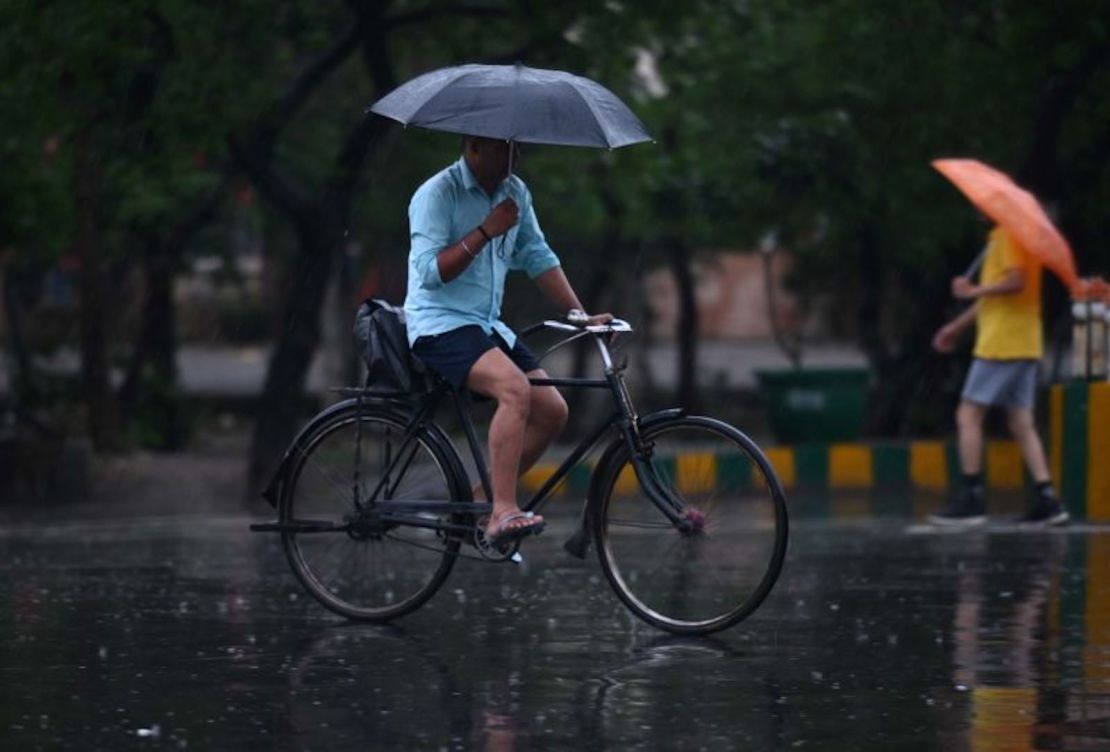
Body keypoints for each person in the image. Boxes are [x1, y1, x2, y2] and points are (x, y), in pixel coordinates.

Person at [404, 135, 612, 548]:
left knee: (552, 410)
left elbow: (537, 254)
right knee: (514, 389)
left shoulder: (515, 192)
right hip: (439, 325)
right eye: (503, 149)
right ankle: (502, 511)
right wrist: (485, 230)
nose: (514, 159)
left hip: (486, 325)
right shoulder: (436, 193)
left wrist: (578, 313)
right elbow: (430, 272)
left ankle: (479, 507)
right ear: (473, 146)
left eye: (517, 150)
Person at [929, 223, 1068, 527]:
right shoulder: (1021, 238)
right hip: (1026, 341)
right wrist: (956, 327)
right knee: (1021, 422)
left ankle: (972, 497)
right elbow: (995, 297)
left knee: (968, 415)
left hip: (1001, 343)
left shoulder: (1008, 235)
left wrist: (972, 289)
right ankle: (1048, 498)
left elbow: (1015, 281)